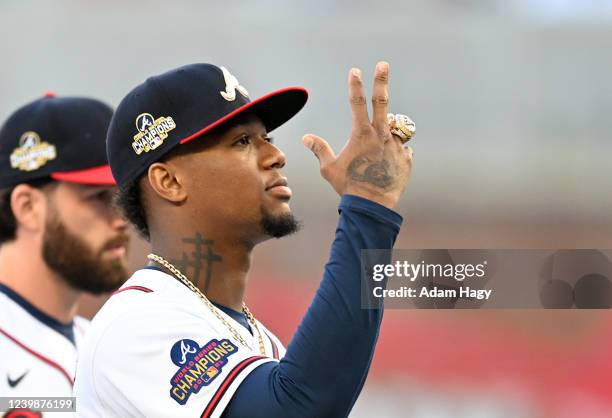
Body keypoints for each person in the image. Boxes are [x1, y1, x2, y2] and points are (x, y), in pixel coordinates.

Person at [74, 61, 413, 417]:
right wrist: (367, 208)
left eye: (268, 138)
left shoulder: (258, 341)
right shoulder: (135, 324)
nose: (276, 156)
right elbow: (298, 408)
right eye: (242, 142)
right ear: (169, 182)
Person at [0, 94, 130, 413]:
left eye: (122, 197)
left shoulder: (103, 347)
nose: (121, 219)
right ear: (28, 207)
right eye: (99, 196)